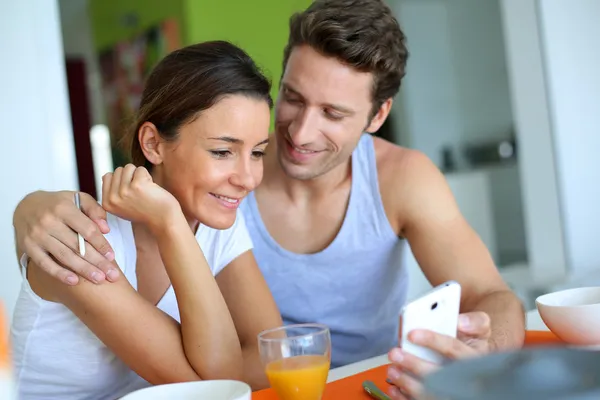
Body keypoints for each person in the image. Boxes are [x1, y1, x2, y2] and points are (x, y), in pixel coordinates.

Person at [12, 0, 525, 398]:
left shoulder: (224, 205)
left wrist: (485, 348)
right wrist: (29, 207)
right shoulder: (213, 201)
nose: (300, 133)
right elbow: (220, 378)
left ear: (377, 116)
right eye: (295, 99)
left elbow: (492, 296)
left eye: (334, 113)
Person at [10, 40, 282, 399]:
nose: (247, 179)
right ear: (153, 144)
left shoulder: (217, 215)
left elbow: (272, 355)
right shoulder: (76, 234)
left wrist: (173, 225)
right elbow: (217, 382)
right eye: (222, 151)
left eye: (258, 152)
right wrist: (170, 221)